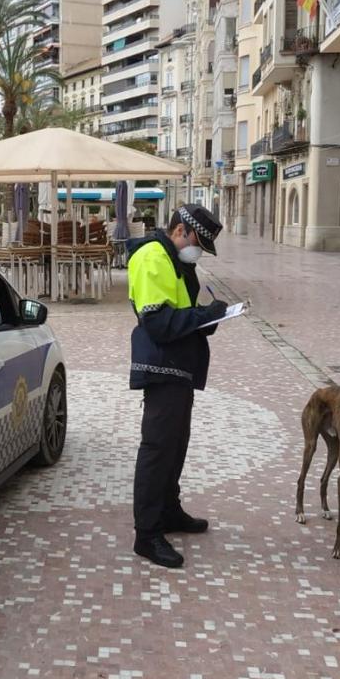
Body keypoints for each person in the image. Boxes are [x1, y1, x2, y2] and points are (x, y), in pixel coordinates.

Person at [127, 204, 226, 568]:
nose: (198, 251)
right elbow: (159, 323)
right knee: (157, 450)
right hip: (161, 365)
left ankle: (168, 510)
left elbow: (180, 308)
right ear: (181, 230)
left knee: (174, 445)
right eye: (198, 242)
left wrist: (208, 318)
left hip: (178, 366)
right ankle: (147, 534)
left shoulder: (174, 259)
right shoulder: (153, 257)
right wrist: (205, 315)